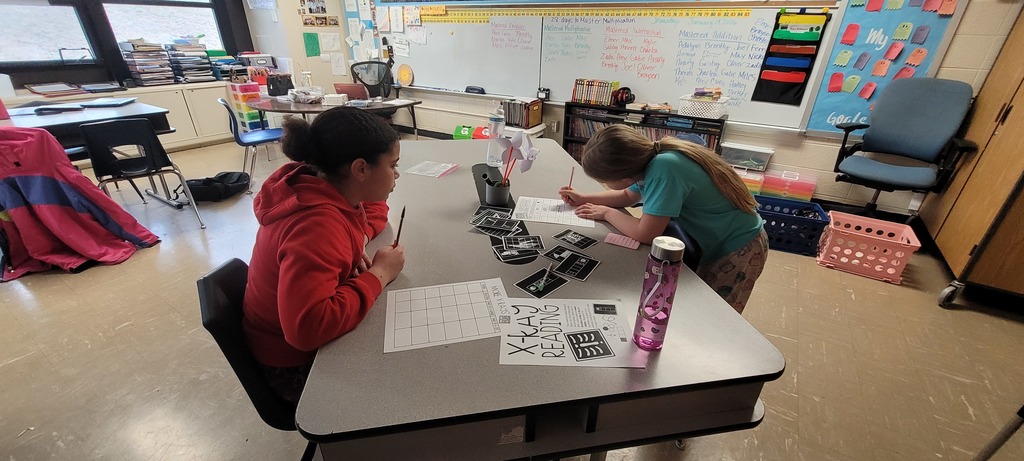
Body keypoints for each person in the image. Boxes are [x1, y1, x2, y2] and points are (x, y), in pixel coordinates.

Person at [243, 107, 405, 404]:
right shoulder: (316, 226)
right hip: (292, 363)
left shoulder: (318, 181)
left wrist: (356, 239)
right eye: (392, 165)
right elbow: (306, 330)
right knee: (400, 385)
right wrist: (380, 274)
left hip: (290, 338)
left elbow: (372, 205)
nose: (396, 174)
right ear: (360, 169)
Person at [560, 125, 768, 314]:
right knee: (701, 304)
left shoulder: (664, 170)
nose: (605, 184)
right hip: (724, 240)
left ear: (624, 177)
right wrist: (584, 198)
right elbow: (627, 196)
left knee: (715, 314)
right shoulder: (650, 160)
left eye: (604, 181)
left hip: (739, 247)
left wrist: (607, 213)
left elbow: (646, 233)